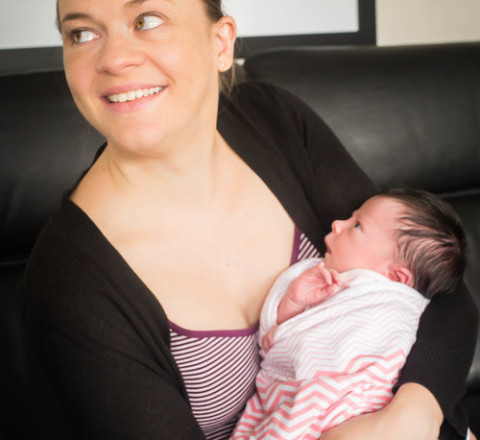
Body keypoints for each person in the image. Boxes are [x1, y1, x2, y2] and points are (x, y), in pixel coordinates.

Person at [22, 0, 477, 439]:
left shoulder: (274, 120)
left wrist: (414, 414)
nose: (115, 59)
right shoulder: (69, 278)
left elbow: (436, 287)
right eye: (81, 33)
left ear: (221, 43)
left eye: (147, 19)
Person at [231, 188, 469, 439]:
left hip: (371, 408)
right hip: (314, 404)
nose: (337, 224)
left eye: (357, 225)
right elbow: (280, 339)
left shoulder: (398, 304)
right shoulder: (321, 278)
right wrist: (294, 302)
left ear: (397, 276)